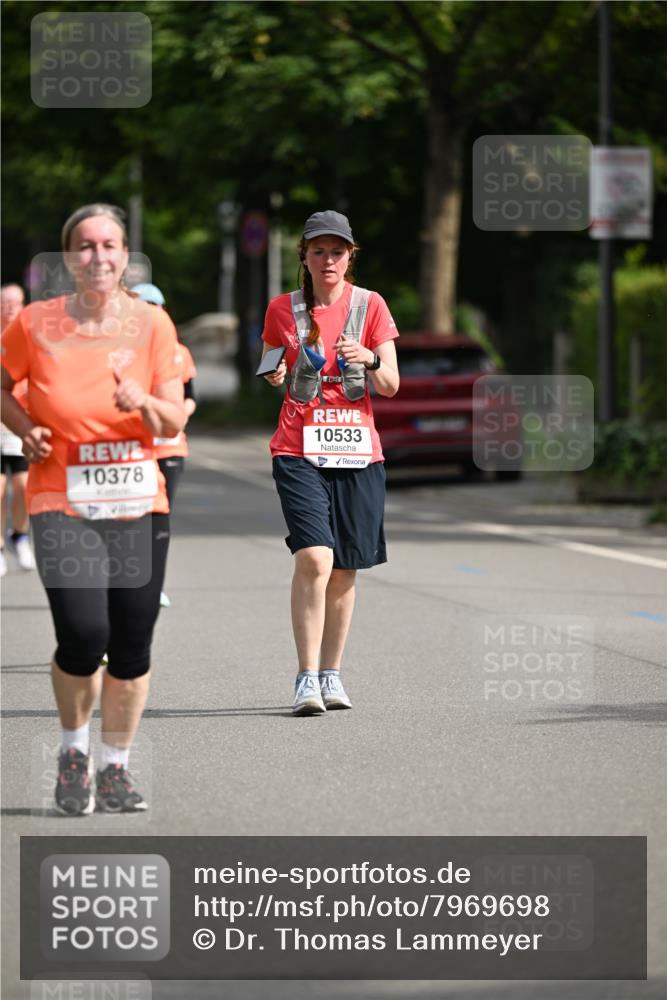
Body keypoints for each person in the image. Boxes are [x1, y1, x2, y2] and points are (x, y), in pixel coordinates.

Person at [0, 203, 185, 814]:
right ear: (69, 257)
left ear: (125, 255)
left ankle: (115, 768)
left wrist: (144, 403)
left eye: (109, 245)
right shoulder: (36, 323)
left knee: (131, 643)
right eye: (85, 245)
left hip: (138, 499)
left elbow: (173, 419)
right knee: (83, 634)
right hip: (62, 498)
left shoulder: (152, 324)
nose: (98, 255)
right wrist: (24, 427)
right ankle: (73, 750)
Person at [261, 210, 399, 716]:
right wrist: (275, 374)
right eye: (318, 251)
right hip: (298, 449)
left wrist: (369, 357)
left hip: (358, 451)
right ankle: (305, 678)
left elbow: (391, 385)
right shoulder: (283, 308)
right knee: (316, 558)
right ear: (304, 257)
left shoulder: (371, 305)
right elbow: (271, 365)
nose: (328, 261)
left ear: (349, 257)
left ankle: (331, 674)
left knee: (344, 569)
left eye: (337, 252)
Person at [132, 282, 197, 607]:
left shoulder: (178, 351)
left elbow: (190, 397)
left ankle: (153, 583)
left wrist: (179, 414)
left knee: (159, 515)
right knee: (132, 516)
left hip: (169, 447)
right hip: (134, 447)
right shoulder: (122, 351)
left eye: (154, 307)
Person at [1, 284, 35, 575]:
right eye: (4, 302)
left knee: (23, 486)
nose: (10, 307)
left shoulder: (30, 337)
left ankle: (19, 536)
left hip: (20, 423)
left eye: (16, 302)